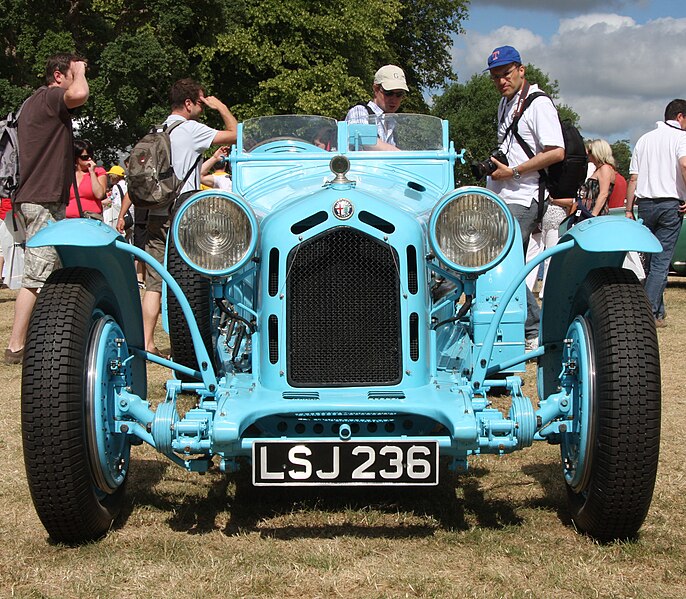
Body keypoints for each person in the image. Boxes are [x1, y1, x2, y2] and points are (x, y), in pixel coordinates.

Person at [134, 78, 238, 356]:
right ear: (189, 103)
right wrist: (221, 107)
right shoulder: (192, 129)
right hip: (183, 214)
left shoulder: (159, 129)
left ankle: (147, 342)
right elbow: (236, 133)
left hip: (155, 211)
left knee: (154, 282)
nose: (203, 107)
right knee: (192, 282)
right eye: (201, 102)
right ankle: (192, 342)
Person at [5, 53, 89, 365]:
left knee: (48, 272)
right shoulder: (51, 96)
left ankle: (42, 338)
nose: (77, 77)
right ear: (57, 75)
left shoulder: (33, 102)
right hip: (41, 200)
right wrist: (79, 71)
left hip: (38, 198)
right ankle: (15, 346)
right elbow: (78, 94)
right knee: (36, 276)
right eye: (71, 72)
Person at [484, 46, 565, 350]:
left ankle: (534, 330)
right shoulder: (505, 104)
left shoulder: (538, 103)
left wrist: (514, 171)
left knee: (503, 262)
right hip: (503, 194)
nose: (501, 81)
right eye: (495, 77)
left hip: (526, 194)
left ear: (521, 69)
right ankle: (514, 327)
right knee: (494, 261)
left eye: (505, 74)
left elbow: (556, 151)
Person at [625, 98, 686, 328]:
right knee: (661, 262)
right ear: (680, 116)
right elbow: (684, 164)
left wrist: (629, 208)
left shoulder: (644, 139)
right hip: (671, 204)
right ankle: (647, 311)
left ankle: (658, 312)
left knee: (649, 261)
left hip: (646, 204)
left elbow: (633, 178)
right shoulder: (681, 137)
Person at [345, 65, 408, 151]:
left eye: (399, 94)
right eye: (388, 93)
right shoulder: (359, 111)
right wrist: (402, 155)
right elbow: (365, 141)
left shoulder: (392, 122)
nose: (394, 99)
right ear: (375, 89)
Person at [66, 139, 107, 219]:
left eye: (90, 156)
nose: (89, 159)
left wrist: (92, 172)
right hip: (68, 221)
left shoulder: (98, 172)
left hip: (90, 220)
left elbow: (99, 194)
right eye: (85, 157)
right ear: (76, 158)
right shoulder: (68, 174)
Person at [104, 164, 131, 234]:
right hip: (129, 215)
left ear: (114, 176)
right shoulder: (127, 184)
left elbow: (113, 201)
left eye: (110, 176)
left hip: (119, 214)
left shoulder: (116, 187)